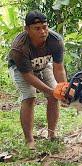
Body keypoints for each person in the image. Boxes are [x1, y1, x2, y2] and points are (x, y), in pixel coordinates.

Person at [7, 10, 67, 149]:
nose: (43, 32)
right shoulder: (19, 47)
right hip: (21, 70)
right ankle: (29, 140)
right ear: (27, 29)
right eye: (37, 29)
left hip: (44, 65)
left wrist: (63, 89)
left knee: (54, 97)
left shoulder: (56, 40)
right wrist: (50, 90)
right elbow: (28, 76)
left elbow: (58, 68)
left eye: (45, 27)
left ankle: (51, 134)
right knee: (29, 97)